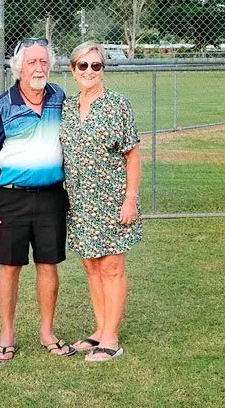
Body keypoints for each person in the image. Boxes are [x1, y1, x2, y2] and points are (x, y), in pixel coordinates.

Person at [0, 37, 77, 362]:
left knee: (48, 266)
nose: (39, 68)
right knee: (10, 267)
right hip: (11, 200)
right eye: (32, 62)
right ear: (19, 68)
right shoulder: (2, 106)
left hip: (50, 198)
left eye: (44, 62)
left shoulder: (59, 98)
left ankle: (47, 332)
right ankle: (7, 334)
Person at [59, 41, 143, 362]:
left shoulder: (118, 105)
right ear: (73, 70)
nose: (90, 71)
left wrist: (130, 199)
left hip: (112, 199)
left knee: (111, 267)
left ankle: (111, 338)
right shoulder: (66, 107)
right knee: (91, 265)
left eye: (96, 66)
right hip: (79, 202)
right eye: (83, 66)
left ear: (103, 69)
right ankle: (99, 329)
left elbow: (132, 155)